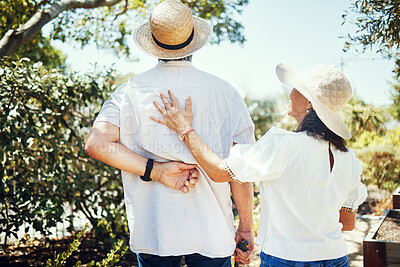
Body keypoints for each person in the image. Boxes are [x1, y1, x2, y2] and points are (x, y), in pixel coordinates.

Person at [85, 1, 256, 266]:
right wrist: (245, 227)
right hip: (212, 231)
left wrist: (156, 171)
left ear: (155, 44)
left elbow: (96, 144)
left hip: (154, 232)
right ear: (192, 42)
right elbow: (241, 172)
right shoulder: (225, 93)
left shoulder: (128, 92)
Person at [151, 63, 368, 266]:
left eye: (297, 88)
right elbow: (348, 222)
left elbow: (219, 172)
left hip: (286, 258)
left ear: (310, 102)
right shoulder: (348, 157)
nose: (290, 92)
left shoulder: (283, 144)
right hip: (336, 257)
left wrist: (185, 129)